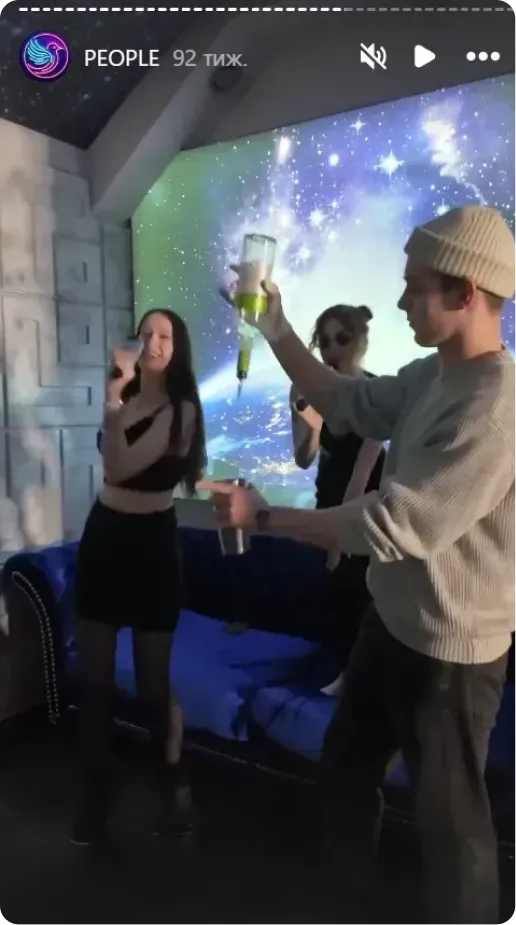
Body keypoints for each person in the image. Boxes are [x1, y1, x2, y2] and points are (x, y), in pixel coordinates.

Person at [205, 205, 516, 925]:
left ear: (466, 293)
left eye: (414, 287)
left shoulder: (494, 408)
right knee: (345, 771)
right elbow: (345, 399)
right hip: (389, 627)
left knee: (452, 832)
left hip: (450, 657)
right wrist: (277, 326)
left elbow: (396, 520)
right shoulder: (431, 375)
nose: (401, 300)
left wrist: (264, 517)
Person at [72, 309, 206, 847]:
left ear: (178, 348)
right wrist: (118, 398)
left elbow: (120, 466)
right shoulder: (127, 400)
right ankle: (95, 796)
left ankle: (174, 787)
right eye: (145, 334)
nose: (150, 343)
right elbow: (113, 464)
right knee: (96, 683)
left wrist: (110, 403)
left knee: (153, 686)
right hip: (105, 536)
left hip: (151, 545)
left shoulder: (183, 412)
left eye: (163, 336)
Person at [290, 305, 384, 692]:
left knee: (359, 591)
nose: (333, 349)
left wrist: (339, 535)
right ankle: (345, 674)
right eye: (325, 341)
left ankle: (357, 679)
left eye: (342, 339)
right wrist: (306, 419)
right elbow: (304, 457)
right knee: (334, 596)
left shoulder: (375, 392)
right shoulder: (314, 391)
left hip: (362, 507)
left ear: (360, 341)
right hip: (327, 501)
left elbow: (363, 472)